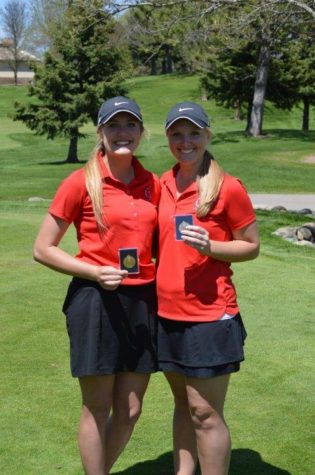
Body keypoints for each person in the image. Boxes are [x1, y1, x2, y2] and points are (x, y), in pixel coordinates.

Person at [33, 96, 160, 475]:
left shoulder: (152, 183)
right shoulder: (79, 182)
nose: (123, 133)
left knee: (130, 409)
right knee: (97, 406)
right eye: (114, 125)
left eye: (131, 125)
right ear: (100, 131)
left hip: (142, 299)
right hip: (95, 299)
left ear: (141, 131)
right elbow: (43, 248)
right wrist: (93, 271)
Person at [156, 102, 260, 475]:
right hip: (166, 315)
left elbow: (251, 245)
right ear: (168, 138)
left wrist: (210, 247)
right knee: (183, 405)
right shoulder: (162, 184)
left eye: (194, 133)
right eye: (177, 134)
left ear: (207, 136)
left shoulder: (227, 187)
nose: (186, 141)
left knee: (205, 411)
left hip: (210, 316)